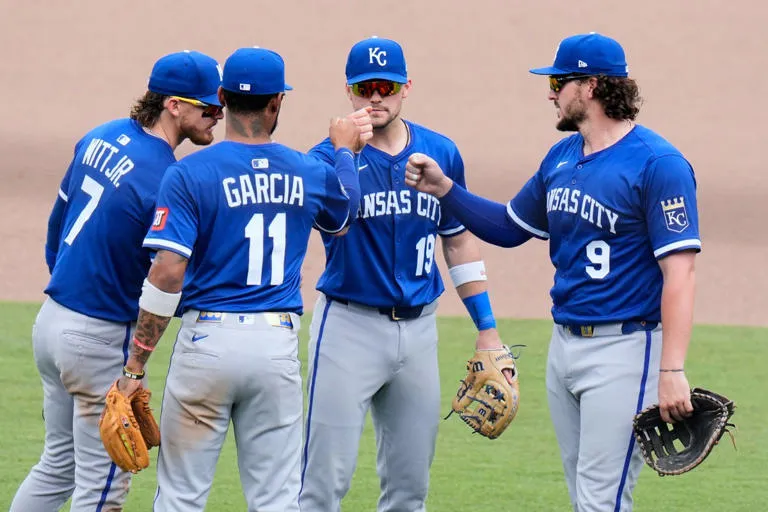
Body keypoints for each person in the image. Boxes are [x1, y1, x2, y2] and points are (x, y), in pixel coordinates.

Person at [405, 32, 701, 511]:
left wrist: (672, 369)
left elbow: (681, 273)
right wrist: (445, 189)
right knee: (584, 495)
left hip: (627, 349)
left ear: (592, 86)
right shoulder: (561, 158)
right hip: (564, 348)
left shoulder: (658, 164)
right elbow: (508, 226)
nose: (550, 91)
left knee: (601, 499)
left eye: (560, 81)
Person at [112, 46, 371, 512]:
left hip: (206, 345)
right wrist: (343, 152)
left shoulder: (188, 172)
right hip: (274, 348)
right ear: (277, 103)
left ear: (222, 98)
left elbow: (168, 271)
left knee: (181, 497)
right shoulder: (308, 170)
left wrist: (135, 366)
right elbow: (346, 217)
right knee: (275, 500)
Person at [300, 36, 509, 512]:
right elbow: (338, 216)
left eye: (386, 86)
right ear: (349, 90)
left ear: (406, 87)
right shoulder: (324, 159)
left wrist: (488, 329)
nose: (375, 97)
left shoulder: (440, 152)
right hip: (347, 331)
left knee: (410, 489)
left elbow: (456, 240)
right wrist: (344, 153)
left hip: (419, 334)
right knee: (321, 485)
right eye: (365, 87)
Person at [10, 50, 224, 512]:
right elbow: (173, 273)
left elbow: (56, 227)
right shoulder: (168, 176)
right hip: (98, 340)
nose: (217, 117)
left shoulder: (100, 136)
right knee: (103, 491)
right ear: (173, 105)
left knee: (56, 466)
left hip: (52, 323)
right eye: (208, 108)